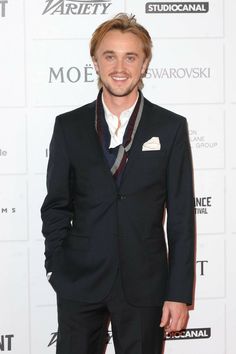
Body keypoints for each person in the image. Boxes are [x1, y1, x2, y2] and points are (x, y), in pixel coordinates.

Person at [41, 13, 195, 354]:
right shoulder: (69, 126)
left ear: (144, 64)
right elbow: (56, 205)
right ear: (95, 62)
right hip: (79, 280)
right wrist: (57, 267)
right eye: (109, 55)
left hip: (145, 283)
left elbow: (183, 217)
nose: (119, 66)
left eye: (131, 56)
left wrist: (179, 293)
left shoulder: (170, 127)